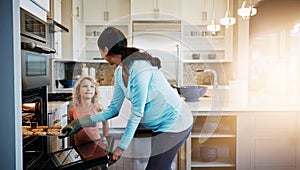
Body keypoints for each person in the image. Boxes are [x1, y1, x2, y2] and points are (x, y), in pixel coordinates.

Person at [61, 27, 193, 170]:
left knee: (156, 167)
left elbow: (137, 112)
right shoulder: (119, 72)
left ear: (105, 50)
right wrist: (80, 122)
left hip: (176, 122)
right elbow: (113, 109)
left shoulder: (140, 68)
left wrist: (121, 148)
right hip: (160, 125)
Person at [69, 76, 109, 169]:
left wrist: (105, 137)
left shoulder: (97, 108)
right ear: (78, 91)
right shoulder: (73, 109)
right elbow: (72, 129)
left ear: (95, 91)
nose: (88, 89)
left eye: (92, 87)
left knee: (97, 167)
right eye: (85, 86)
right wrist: (72, 146)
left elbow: (105, 123)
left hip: (95, 145)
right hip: (79, 147)